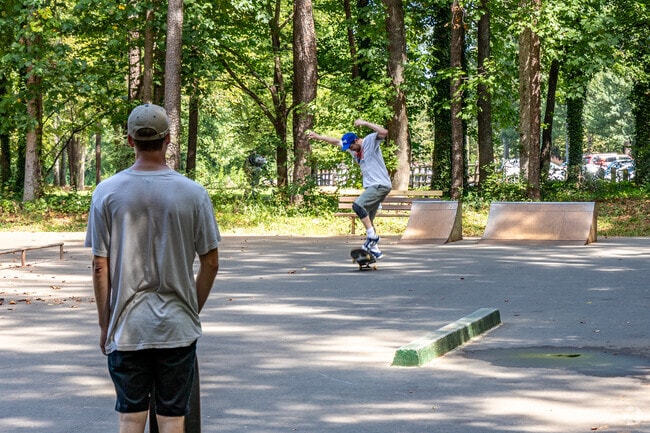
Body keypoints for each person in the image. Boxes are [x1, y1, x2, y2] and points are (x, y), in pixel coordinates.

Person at [85, 103, 221, 433]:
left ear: (130, 140)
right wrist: (190, 309)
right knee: (173, 418)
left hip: (127, 327)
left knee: (131, 417)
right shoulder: (193, 193)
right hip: (176, 327)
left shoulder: (106, 193)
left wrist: (106, 324)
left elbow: (100, 266)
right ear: (168, 139)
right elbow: (211, 261)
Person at [308, 119, 392, 259]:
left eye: (351, 146)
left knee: (358, 206)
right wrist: (318, 137)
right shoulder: (353, 150)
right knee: (368, 219)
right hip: (373, 187)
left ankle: (373, 239)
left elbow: (384, 132)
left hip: (380, 185)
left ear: (357, 141)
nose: (350, 150)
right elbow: (335, 141)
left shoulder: (369, 141)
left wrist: (365, 123)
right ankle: (375, 250)